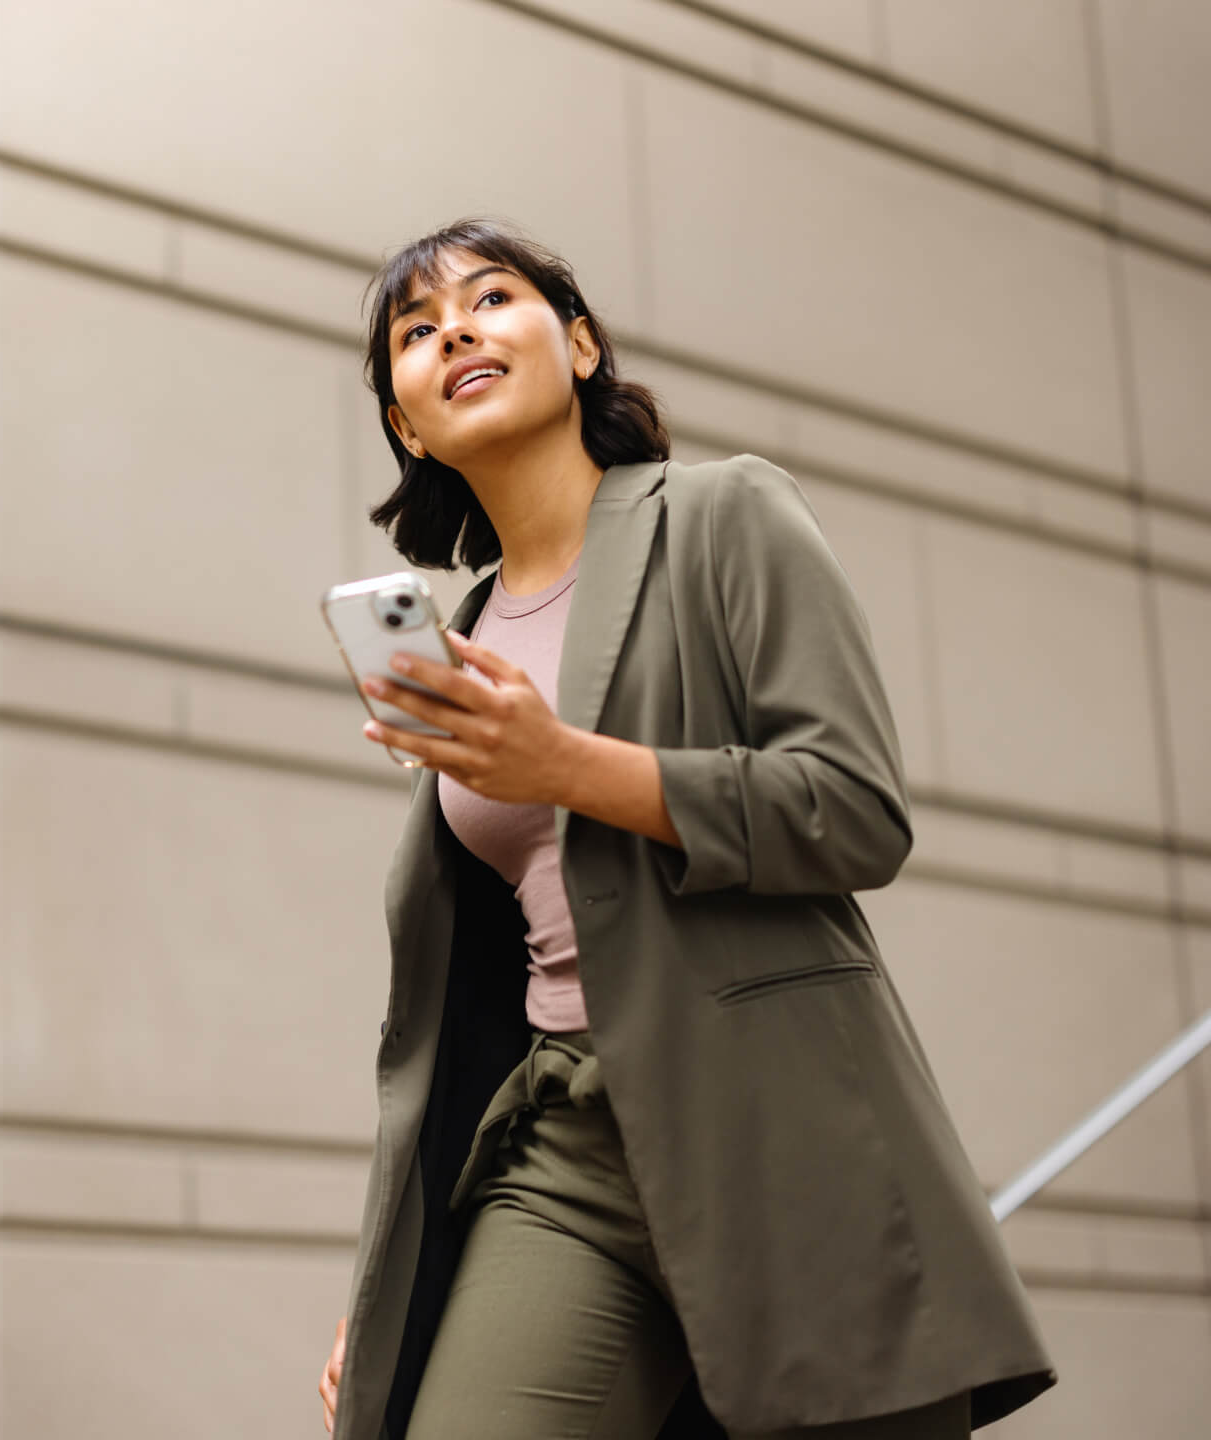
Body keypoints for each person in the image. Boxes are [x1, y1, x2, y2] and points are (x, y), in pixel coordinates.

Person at [317, 218, 1057, 1439]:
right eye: (415, 330)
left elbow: (855, 809)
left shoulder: (724, 516)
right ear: (408, 422)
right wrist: (400, 1279)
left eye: (493, 299)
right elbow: (469, 997)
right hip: (564, 1147)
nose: (455, 329)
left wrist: (565, 764)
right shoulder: (465, 633)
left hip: (781, 1135)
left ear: (583, 346)